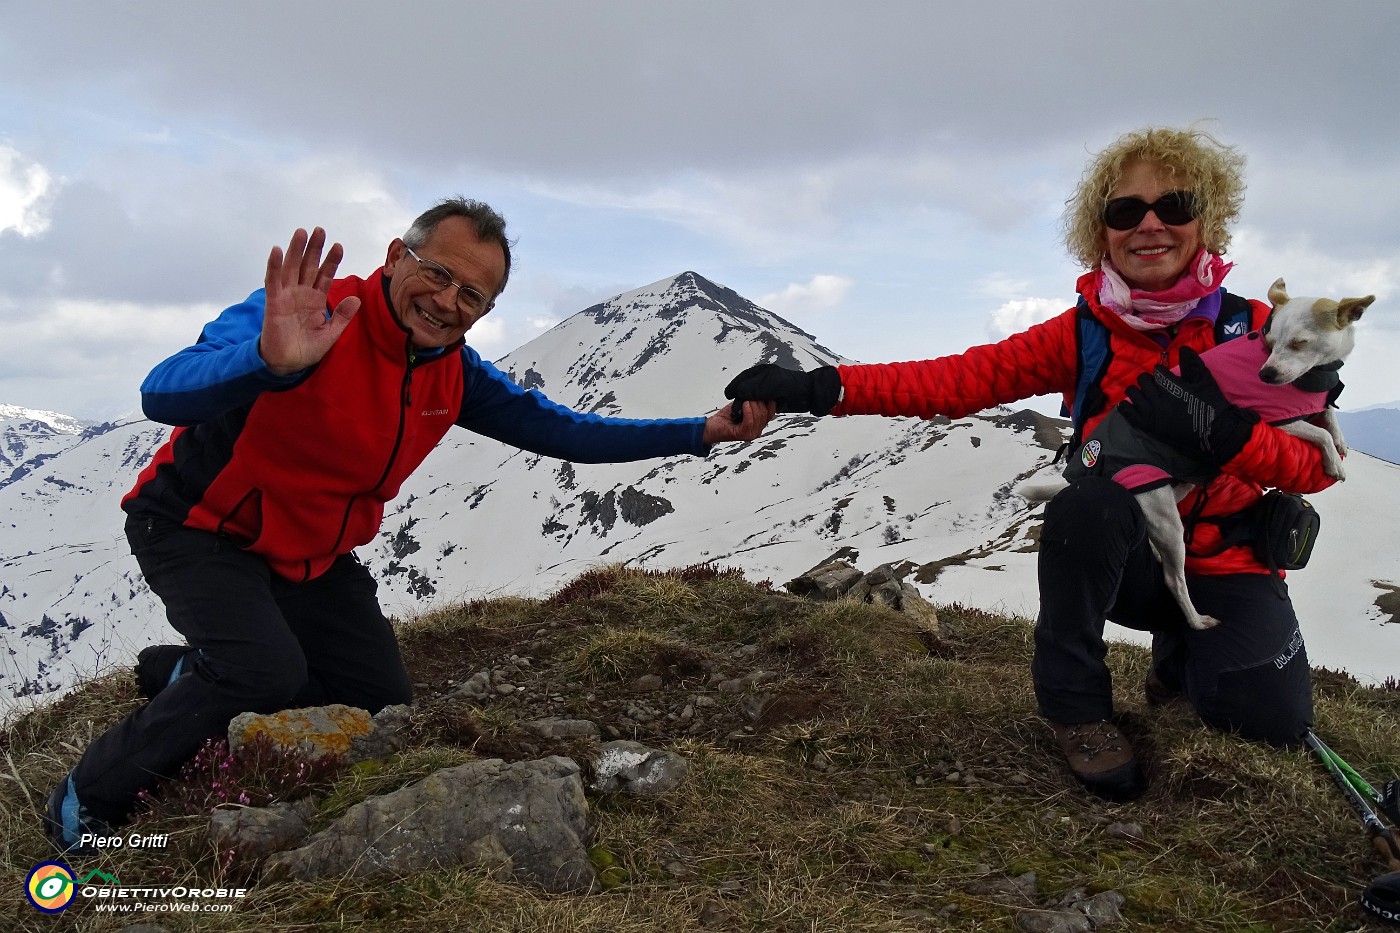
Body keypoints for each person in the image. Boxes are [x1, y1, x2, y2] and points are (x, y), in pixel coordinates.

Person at [44, 198, 776, 850]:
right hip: (199, 526)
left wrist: (700, 430)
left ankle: (184, 676)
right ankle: (85, 800)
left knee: (377, 704)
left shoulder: (453, 371)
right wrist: (268, 361)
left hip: (312, 553)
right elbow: (161, 391)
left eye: (472, 295)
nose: (447, 300)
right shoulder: (315, 316)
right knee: (262, 668)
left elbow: (567, 433)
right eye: (435, 272)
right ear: (396, 256)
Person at [723, 127, 1336, 801]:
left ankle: (1179, 662)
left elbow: (1314, 470)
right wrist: (820, 388)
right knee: (1086, 502)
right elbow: (956, 380)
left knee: (1268, 721)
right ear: (1099, 231)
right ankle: (1077, 709)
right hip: (1126, 559)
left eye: (1175, 205)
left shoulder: (1260, 331)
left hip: (1228, 564)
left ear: (1208, 217)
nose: (1149, 225)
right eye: (1125, 211)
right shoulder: (1085, 331)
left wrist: (1222, 435)